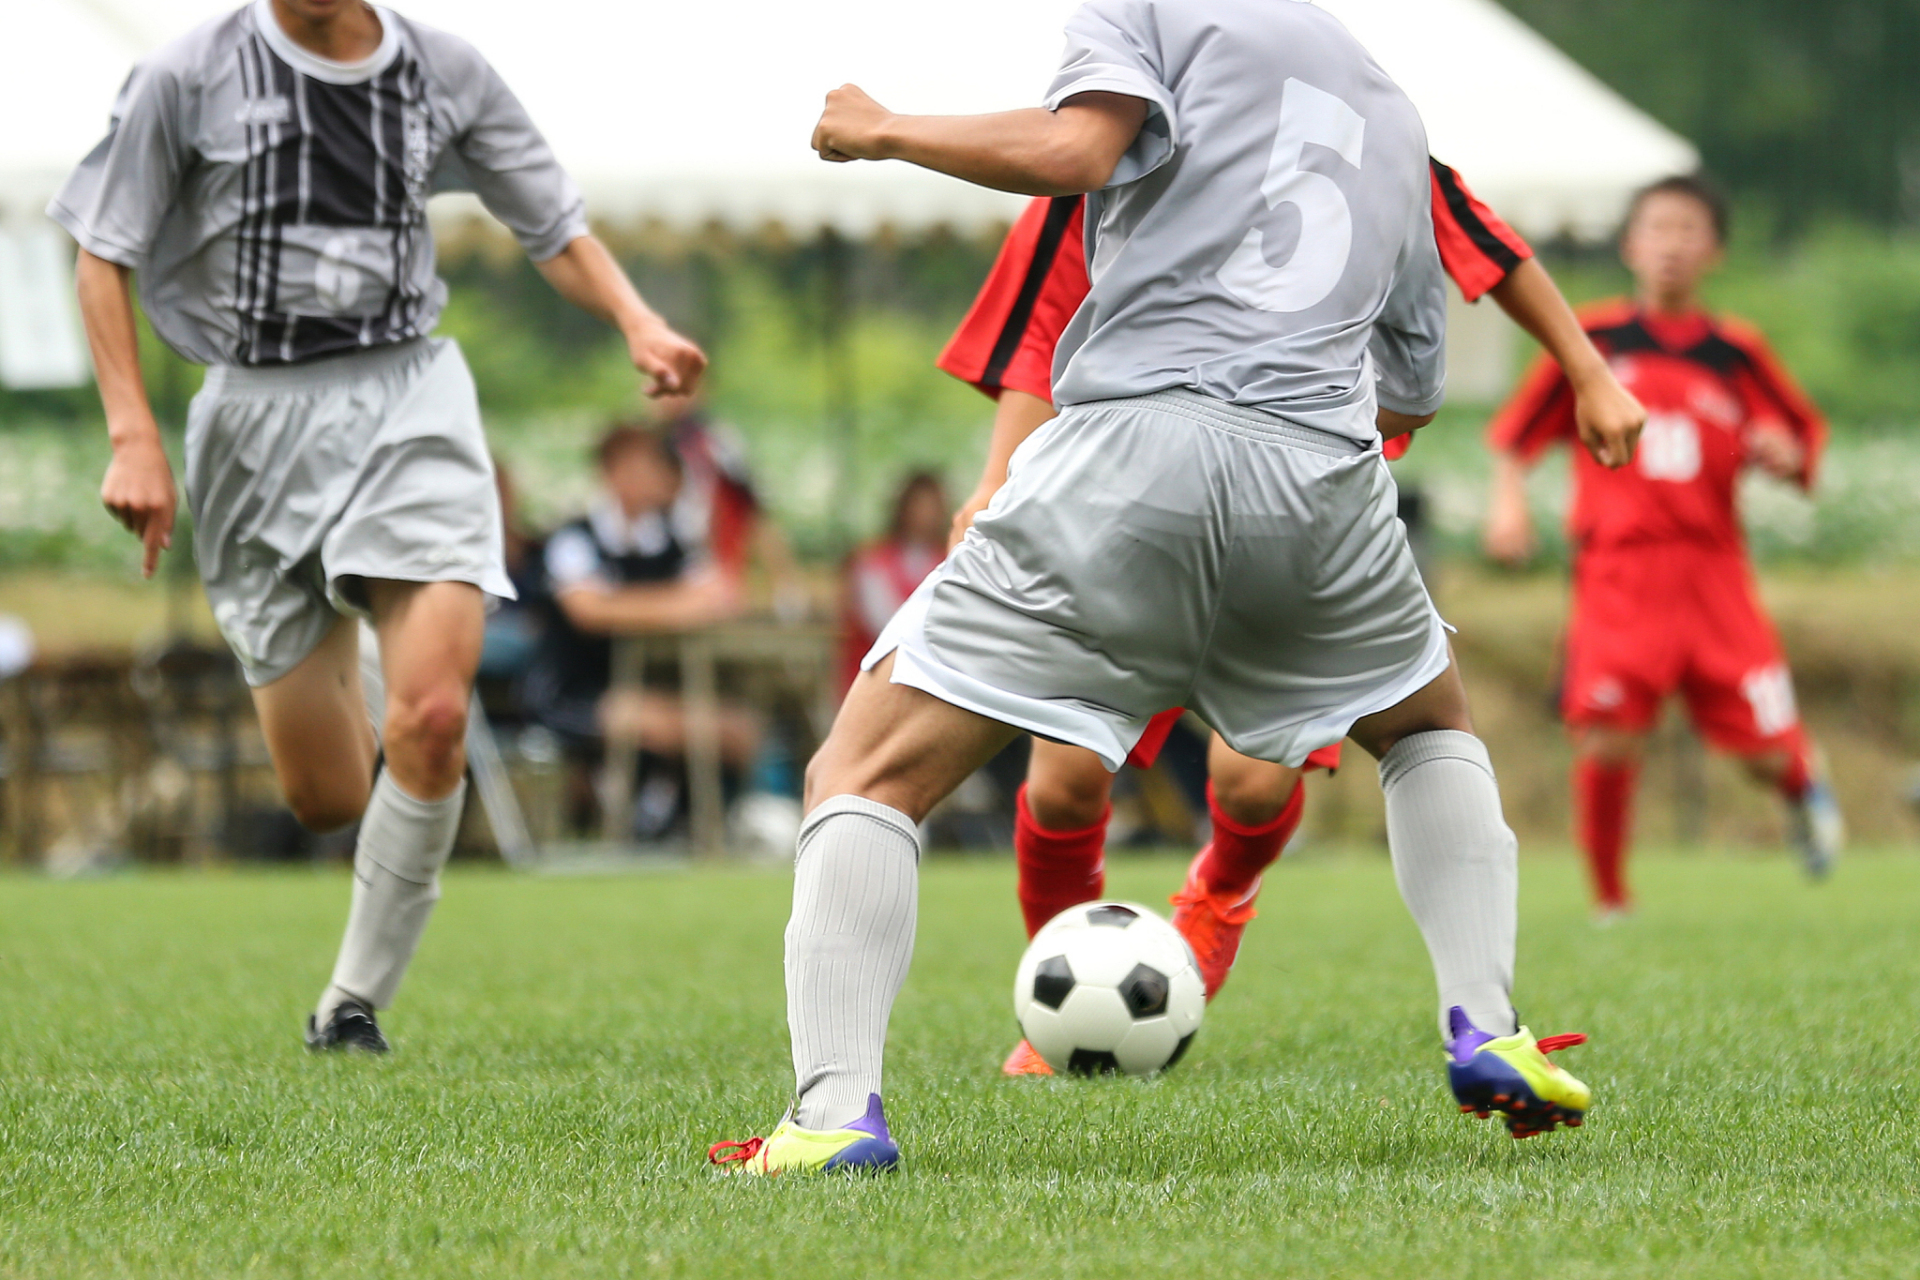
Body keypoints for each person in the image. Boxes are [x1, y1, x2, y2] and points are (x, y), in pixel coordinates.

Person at [709, 0, 1634, 1175]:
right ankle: (1486, 1021)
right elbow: (1412, 389)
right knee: (1428, 724)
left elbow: (1079, 150)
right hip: (1324, 477)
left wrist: (886, 128)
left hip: (1138, 449)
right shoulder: (1395, 108)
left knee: (866, 771)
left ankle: (834, 1114)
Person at [53, 0, 704, 1053]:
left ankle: (350, 1001)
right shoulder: (186, 76)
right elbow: (100, 251)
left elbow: (551, 222)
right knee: (325, 794)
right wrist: (133, 433)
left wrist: (638, 319)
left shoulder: (445, 70)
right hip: (254, 419)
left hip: (409, 395)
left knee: (436, 717)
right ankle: (358, 641)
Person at [937, 163, 1647, 1076]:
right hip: (1128, 497)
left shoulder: (1355, 129)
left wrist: (1587, 370)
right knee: (1068, 779)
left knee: (1253, 787)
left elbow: (1489, 249)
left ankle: (1220, 897)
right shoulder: (1115, 144)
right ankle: (1071, 984)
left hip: (1298, 504)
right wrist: (996, 478)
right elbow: (1045, 333)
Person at [1483, 175, 1843, 915]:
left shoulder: (1736, 351)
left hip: (1715, 572)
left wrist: (1782, 452)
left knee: (1761, 753)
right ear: (1629, 246)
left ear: (1713, 250)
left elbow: (1802, 441)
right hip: (1620, 570)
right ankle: (1612, 901)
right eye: (1657, 229)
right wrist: (1509, 505)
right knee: (1608, 736)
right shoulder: (1592, 342)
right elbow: (1515, 440)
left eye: (1688, 231)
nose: (1671, 245)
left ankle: (1803, 782)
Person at [521, 424, 756, 836]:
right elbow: (589, 612)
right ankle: (637, 822)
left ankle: (693, 829)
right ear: (612, 472)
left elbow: (720, 594)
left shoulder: (669, 541)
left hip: (654, 686)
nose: (661, 477)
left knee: (740, 730)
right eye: (647, 465)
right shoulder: (574, 539)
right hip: (570, 691)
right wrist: (676, 605)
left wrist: (636, 605)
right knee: (667, 725)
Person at [840, 471, 951, 693]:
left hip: (933, 685)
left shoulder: (950, 560)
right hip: (873, 684)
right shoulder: (871, 561)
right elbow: (884, 624)